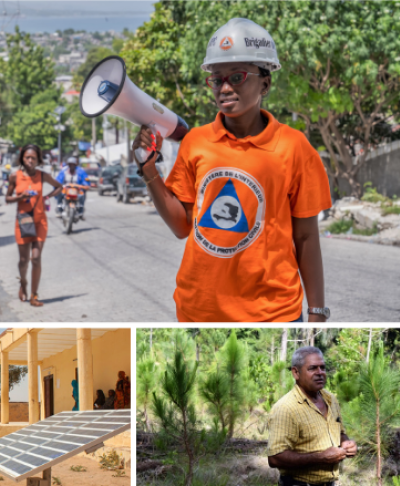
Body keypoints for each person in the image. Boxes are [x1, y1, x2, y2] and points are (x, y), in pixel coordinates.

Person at [133, 18, 332, 322]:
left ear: (265, 83)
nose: (224, 88)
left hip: (272, 312)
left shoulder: (295, 147)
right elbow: (181, 227)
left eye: (237, 77)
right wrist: (149, 169)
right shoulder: (195, 142)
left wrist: (317, 311)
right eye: (216, 79)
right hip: (200, 308)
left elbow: (306, 237)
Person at [267, 347, 357, 485]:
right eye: (312, 368)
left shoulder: (331, 399)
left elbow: (340, 432)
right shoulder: (286, 408)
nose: (320, 373)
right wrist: (321, 458)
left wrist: (346, 442)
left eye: (323, 367)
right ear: (296, 373)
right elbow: (275, 458)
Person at [5, 144, 63, 307]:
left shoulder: (42, 175)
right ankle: (23, 283)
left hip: (39, 222)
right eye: (27, 157)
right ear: (22, 159)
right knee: (24, 261)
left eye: (33, 158)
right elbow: (7, 198)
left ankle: (34, 295)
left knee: (36, 259)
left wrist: (46, 197)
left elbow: (59, 187)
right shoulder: (15, 177)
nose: (30, 161)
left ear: (38, 160)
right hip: (23, 221)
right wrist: (20, 197)